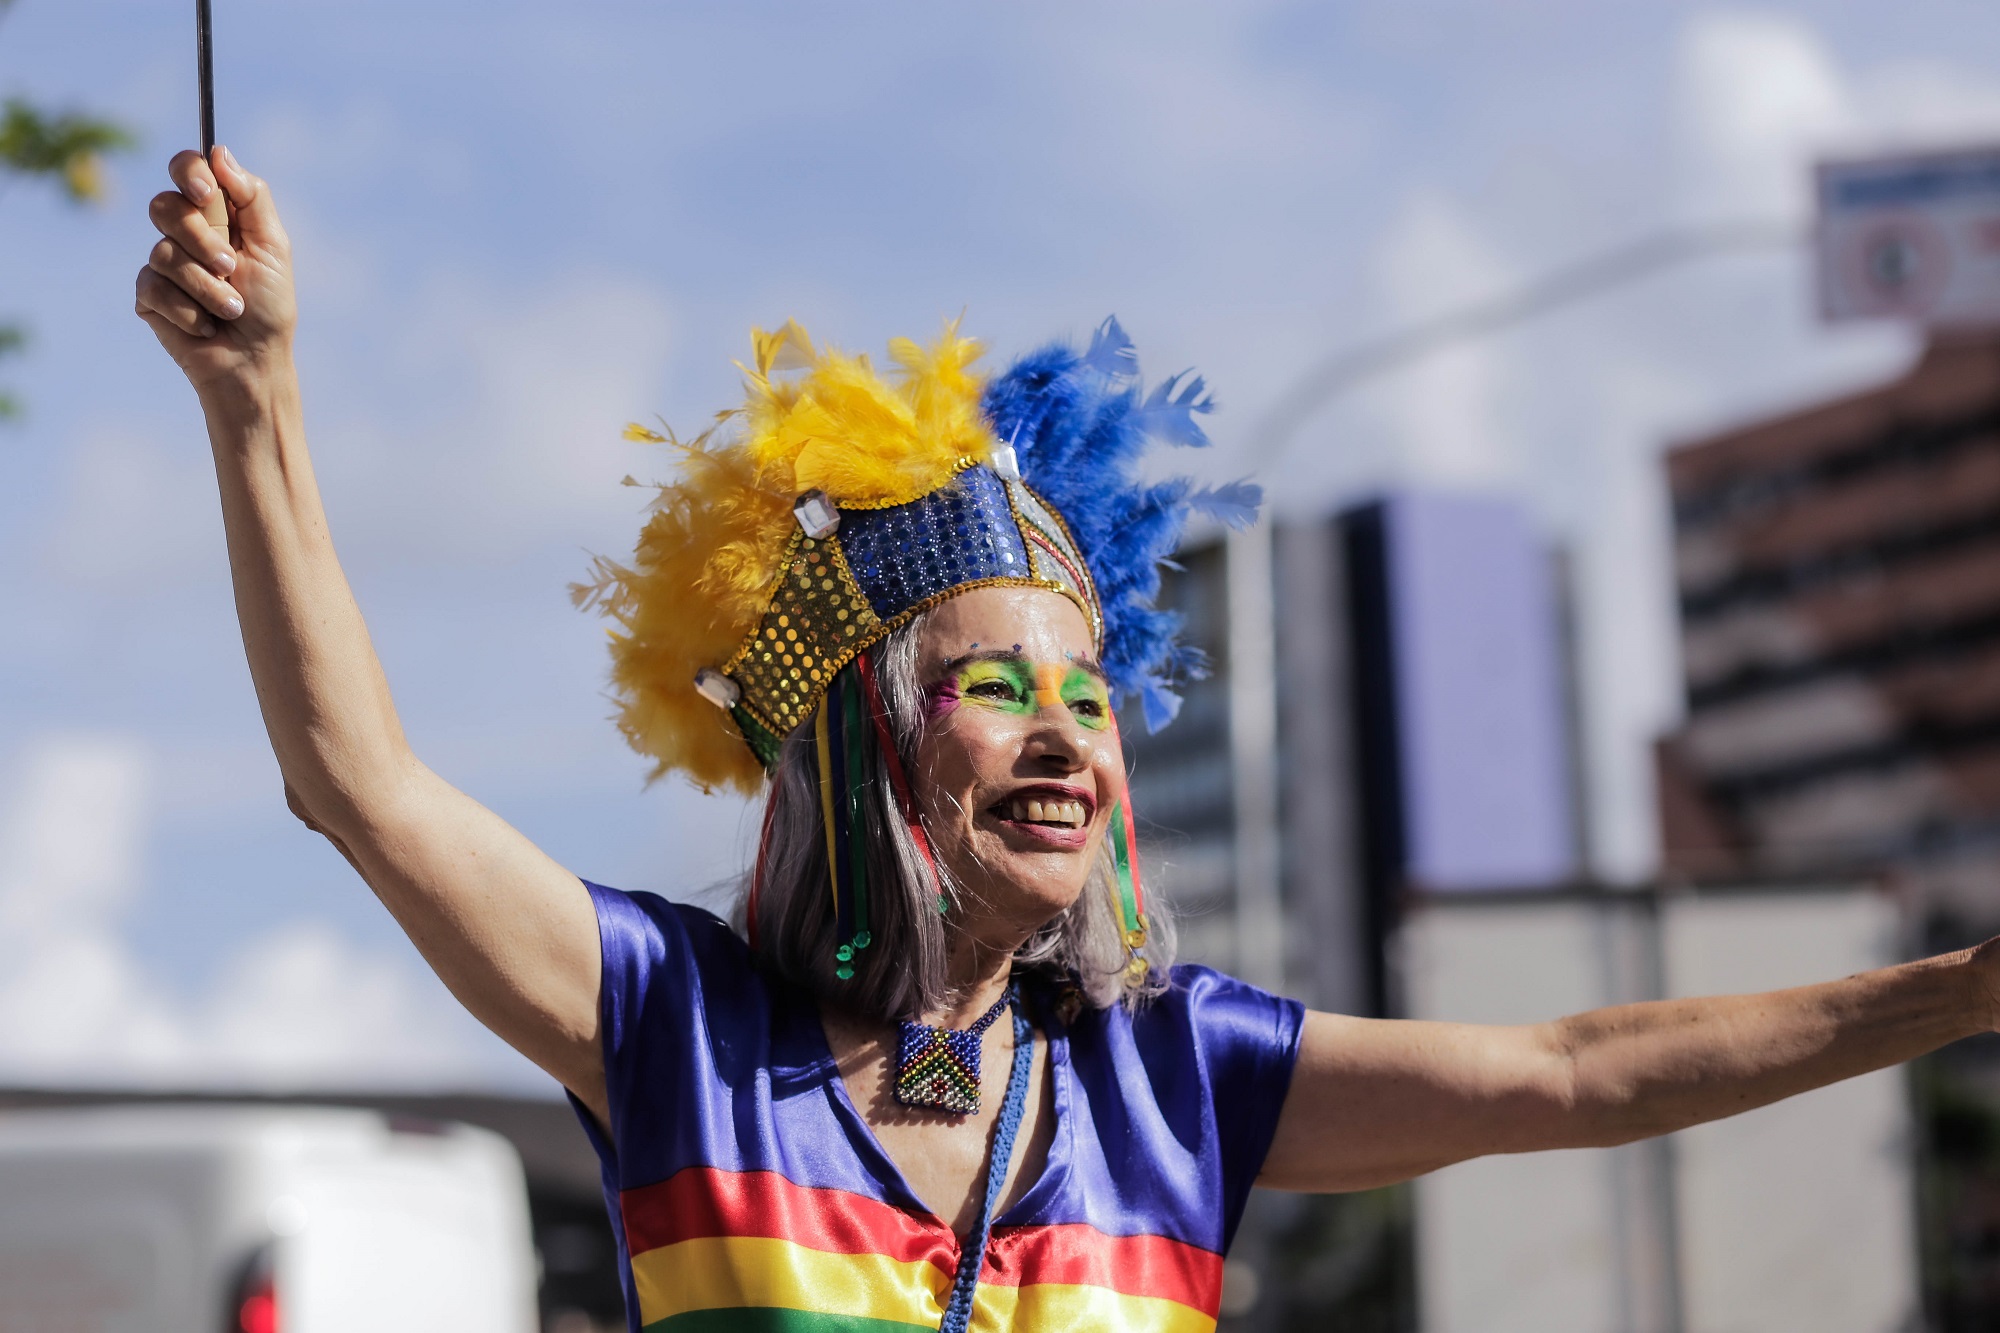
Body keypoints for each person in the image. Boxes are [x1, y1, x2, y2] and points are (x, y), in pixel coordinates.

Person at [135, 145, 2000, 1333]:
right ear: (872, 746)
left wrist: (1964, 988)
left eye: (1090, 701)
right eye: (1001, 688)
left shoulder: (1175, 1078)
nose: (1068, 743)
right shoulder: (674, 1030)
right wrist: (257, 400)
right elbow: (356, 781)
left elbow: (1576, 1072)